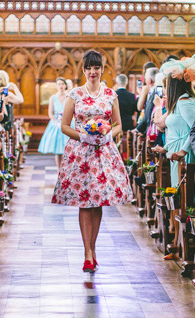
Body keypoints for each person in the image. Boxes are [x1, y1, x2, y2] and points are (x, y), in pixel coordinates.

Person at [52, 50, 133, 273]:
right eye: (88, 68)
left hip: (103, 152)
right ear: (83, 70)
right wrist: (83, 135)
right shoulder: (74, 95)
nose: (92, 72)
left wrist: (108, 134)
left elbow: (118, 124)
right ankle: (87, 252)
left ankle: (93, 248)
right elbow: (64, 125)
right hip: (81, 153)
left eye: (96, 67)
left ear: (102, 69)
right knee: (84, 202)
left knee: (97, 202)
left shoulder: (110, 94)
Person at [158, 58, 195, 187]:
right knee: (176, 190)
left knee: (182, 192)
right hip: (175, 151)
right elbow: (178, 128)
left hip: (183, 154)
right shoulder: (179, 102)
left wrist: (183, 151)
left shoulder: (185, 102)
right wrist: (165, 148)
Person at [38, 77, 69, 168]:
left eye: (62, 84)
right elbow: (50, 113)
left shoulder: (68, 97)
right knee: (58, 149)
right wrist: (56, 122)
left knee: (67, 149)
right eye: (59, 84)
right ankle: (59, 170)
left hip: (67, 123)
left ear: (65, 85)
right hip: (57, 124)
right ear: (56, 86)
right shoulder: (53, 98)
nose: (61, 86)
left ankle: (66, 169)